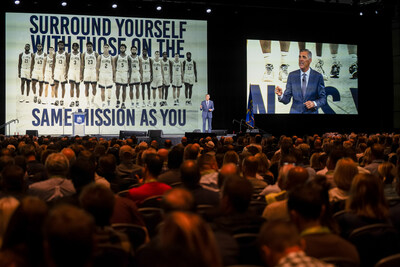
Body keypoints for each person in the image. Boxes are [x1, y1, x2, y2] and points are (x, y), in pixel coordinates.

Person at [275, 49, 326, 114]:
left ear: (310, 60)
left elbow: (323, 99)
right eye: (299, 57)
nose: (301, 59)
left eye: (304, 57)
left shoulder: (317, 76)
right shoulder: (292, 76)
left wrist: (314, 103)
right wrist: (281, 95)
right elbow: (286, 99)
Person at [96, 43, 115, 108]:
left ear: (109, 48)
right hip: (102, 74)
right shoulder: (100, 56)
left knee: (109, 89)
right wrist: (97, 75)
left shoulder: (111, 57)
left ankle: (108, 101)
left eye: (107, 47)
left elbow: (113, 68)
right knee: (102, 89)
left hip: (109, 74)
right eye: (105, 47)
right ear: (103, 48)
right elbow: (97, 67)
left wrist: (114, 76)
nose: (106, 48)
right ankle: (103, 102)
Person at [113, 44, 131, 109]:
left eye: (123, 48)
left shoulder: (128, 57)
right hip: (118, 73)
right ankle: (117, 100)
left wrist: (129, 77)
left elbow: (130, 68)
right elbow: (114, 67)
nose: (122, 49)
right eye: (121, 48)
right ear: (119, 49)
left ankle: (123, 103)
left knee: (124, 89)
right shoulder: (117, 57)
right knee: (117, 88)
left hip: (125, 73)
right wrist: (114, 76)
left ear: (125, 49)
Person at [82, 41, 99, 107]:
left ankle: (92, 99)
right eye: (88, 46)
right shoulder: (84, 54)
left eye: (90, 46)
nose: (89, 47)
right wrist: (81, 74)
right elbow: (82, 65)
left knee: (94, 87)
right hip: (87, 71)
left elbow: (98, 65)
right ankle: (87, 101)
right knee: (86, 87)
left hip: (93, 71)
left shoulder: (96, 54)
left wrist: (98, 74)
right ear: (86, 47)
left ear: (92, 47)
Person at [53, 40, 68, 106]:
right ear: (58, 45)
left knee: (63, 86)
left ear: (64, 46)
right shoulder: (55, 53)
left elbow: (67, 64)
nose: (61, 46)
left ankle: (62, 100)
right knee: (56, 85)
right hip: (57, 71)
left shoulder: (66, 53)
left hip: (63, 71)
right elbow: (53, 64)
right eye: (59, 45)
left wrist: (66, 73)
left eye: (62, 45)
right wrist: (52, 73)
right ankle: (56, 100)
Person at [67, 42, 82, 107]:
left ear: (78, 47)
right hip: (72, 71)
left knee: (77, 87)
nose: (75, 47)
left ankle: (77, 100)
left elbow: (82, 64)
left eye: (76, 46)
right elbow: (67, 64)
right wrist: (67, 72)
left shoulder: (80, 54)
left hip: (78, 71)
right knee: (71, 86)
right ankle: (72, 101)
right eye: (74, 46)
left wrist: (81, 73)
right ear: (72, 47)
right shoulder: (70, 54)